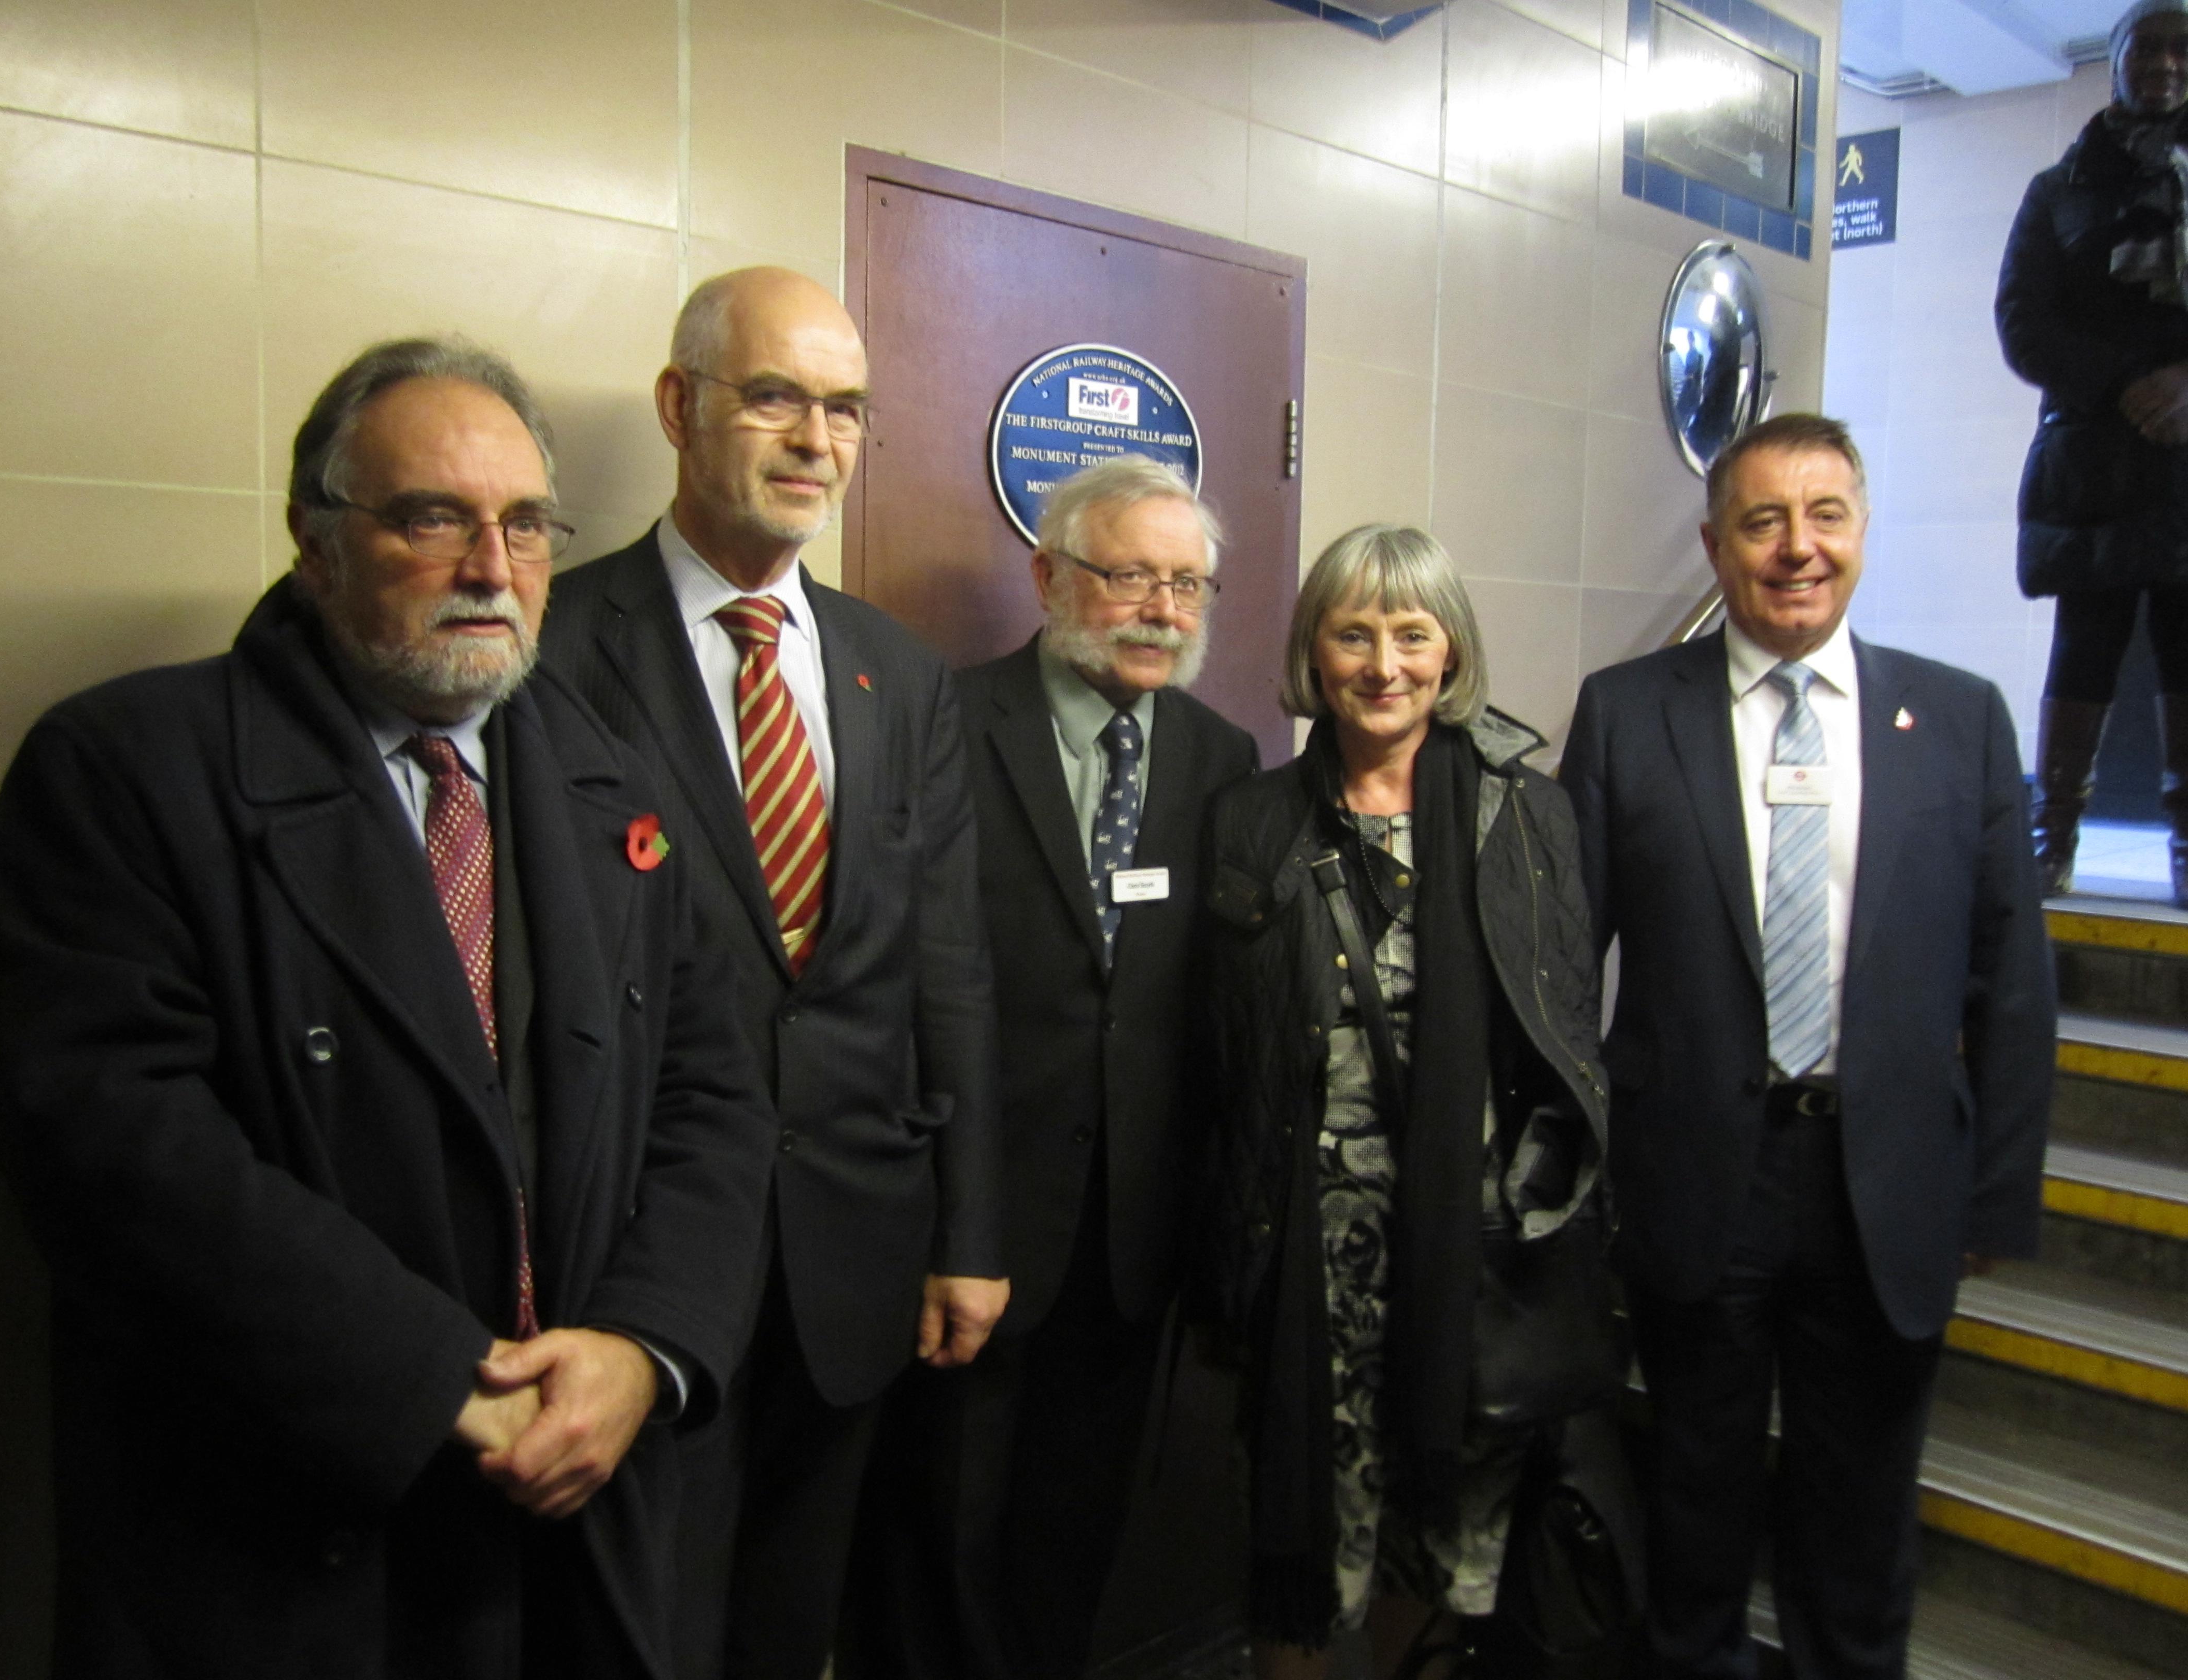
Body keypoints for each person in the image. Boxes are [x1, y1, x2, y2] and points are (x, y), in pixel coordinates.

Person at [0, 338, 780, 1679]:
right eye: (432, 519)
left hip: (583, 1510)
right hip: (291, 1525)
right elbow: (119, 1153)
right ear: (314, 540)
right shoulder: (125, 771)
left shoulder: (611, 786)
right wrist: (441, 1384)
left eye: (525, 524)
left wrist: (646, 1350)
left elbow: (715, 1097)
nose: (492, 569)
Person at [541, 266, 1004, 1680]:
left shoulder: (896, 673)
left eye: (848, 408)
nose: (818, 439)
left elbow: (948, 966)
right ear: (683, 408)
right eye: (778, 398)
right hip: (633, 1265)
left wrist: (969, 1228)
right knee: (636, 1638)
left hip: (854, 1263)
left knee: (791, 1626)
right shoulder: (550, 644)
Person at [1560, 413, 2056, 1679]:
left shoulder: (1960, 721)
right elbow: (1564, 965)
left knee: (1861, 1520)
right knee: (1694, 1502)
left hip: (1884, 1185)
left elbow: (2011, 982)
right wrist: (1575, 1174)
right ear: (1716, 545)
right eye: (1764, 521)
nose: (1798, 548)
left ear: (1862, 530)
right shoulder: (1624, 715)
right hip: (1693, 1181)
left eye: (1824, 515)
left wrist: (1997, 1190)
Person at [841, 456, 1260, 1679]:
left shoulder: (1219, 756)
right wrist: (941, 1225)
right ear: (1049, 575)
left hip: (1132, 1239)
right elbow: (898, 985)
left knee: (1075, 1532)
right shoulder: (946, 724)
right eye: (1131, 575)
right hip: (970, 1222)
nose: (1163, 611)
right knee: (939, 1530)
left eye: (1189, 584)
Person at [1198, 525, 1611, 1679]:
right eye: (1354, 634)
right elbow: (1216, 1053)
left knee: (1439, 1546)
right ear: (1314, 654)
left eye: (1413, 634)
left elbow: (1565, 1028)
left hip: (1466, 1261)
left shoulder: (1525, 819)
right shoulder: (1252, 820)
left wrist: (1538, 1205)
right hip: (1303, 1255)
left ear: (1450, 653)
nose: (1386, 665)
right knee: (1300, 1536)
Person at [1998, 0, 2188, 899]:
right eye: (2144, 46)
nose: (2162, 62)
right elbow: (2023, 324)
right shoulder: (2058, 187)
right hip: (2093, 460)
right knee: (2085, 643)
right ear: (2115, 62)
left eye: (2179, 48)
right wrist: (2126, 386)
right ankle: (2054, 840)